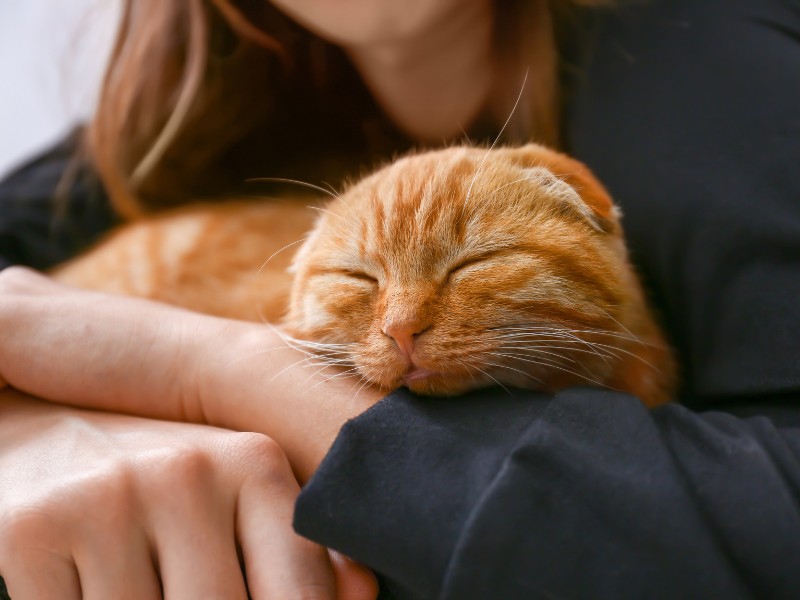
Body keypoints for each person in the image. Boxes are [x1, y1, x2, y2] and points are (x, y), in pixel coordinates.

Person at [2, 0, 799, 599]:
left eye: (473, 263)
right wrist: (20, 433)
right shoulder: (186, 119)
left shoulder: (711, 62)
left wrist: (213, 366)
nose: (403, 319)